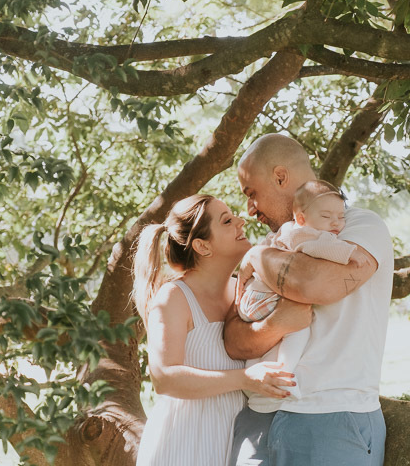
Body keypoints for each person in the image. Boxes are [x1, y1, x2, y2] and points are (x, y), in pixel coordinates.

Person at [224, 134, 394, 466]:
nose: (249, 209)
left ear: (280, 177)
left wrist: (257, 256)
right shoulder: (274, 244)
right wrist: (276, 325)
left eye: (251, 193)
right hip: (257, 419)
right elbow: (232, 339)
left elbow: (316, 285)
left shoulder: (359, 226)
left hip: (331, 420)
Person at [132, 194, 311, 466]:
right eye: (227, 221)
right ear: (202, 246)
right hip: (183, 444)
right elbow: (164, 378)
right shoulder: (174, 297)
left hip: (237, 442)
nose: (241, 221)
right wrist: (245, 378)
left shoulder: (246, 291)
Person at [237, 179, 355, 399]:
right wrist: (351, 253)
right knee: (298, 330)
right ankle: (285, 375)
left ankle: (252, 372)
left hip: (250, 300)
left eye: (341, 217)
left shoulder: (286, 231)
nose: (336, 223)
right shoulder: (305, 234)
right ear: (301, 218)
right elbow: (327, 249)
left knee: (268, 339)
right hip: (265, 299)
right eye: (326, 217)